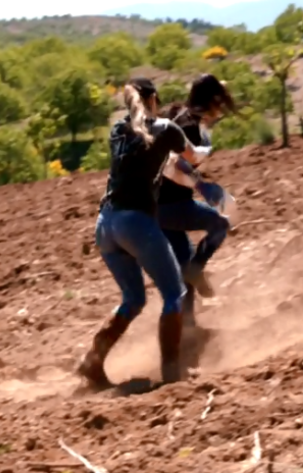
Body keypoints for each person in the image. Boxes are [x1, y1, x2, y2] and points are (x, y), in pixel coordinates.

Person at [76, 77, 211, 391]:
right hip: (137, 224)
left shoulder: (117, 131)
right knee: (174, 294)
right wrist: (206, 140)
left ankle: (92, 362)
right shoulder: (165, 128)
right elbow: (193, 157)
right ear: (154, 99)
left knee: (134, 298)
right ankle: (172, 372)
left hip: (106, 224)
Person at [158, 75, 237, 302]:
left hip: (154, 206)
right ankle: (196, 269)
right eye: (219, 103)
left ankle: (188, 331)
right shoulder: (190, 127)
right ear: (211, 101)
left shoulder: (175, 114)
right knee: (220, 226)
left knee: (183, 266)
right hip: (173, 204)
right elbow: (176, 163)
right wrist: (202, 185)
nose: (220, 110)